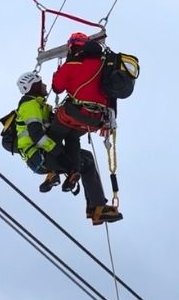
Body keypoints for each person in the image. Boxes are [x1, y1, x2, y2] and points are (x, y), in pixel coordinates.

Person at [14, 70, 122, 225]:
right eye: (40, 83)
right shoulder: (30, 105)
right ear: (33, 87)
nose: (44, 85)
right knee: (84, 160)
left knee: (86, 159)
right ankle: (96, 208)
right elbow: (37, 135)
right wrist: (60, 154)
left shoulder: (38, 105)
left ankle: (93, 206)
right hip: (39, 155)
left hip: (42, 154)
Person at [50, 33, 123, 224]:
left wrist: (59, 72)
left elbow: (57, 88)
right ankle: (96, 208)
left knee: (53, 133)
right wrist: (109, 122)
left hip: (73, 113)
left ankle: (54, 171)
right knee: (75, 139)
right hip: (95, 120)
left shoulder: (72, 65)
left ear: (73, 48)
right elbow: (112, 94)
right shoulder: (105, 65)